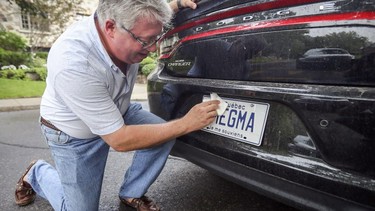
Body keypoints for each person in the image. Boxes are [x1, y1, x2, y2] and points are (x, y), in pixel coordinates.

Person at [14, 0, 219, 210]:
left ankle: (132, 192)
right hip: (73, 134)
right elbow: (119, 140)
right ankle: (37, 173)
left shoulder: (128, 25)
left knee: (163, 135)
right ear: (111, 27)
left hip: (117, 111)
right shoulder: (74, 62)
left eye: (156, 38)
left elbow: (151, 17)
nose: (154, 47)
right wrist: (186, 123)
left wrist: (176, 3)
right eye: (146, 40)